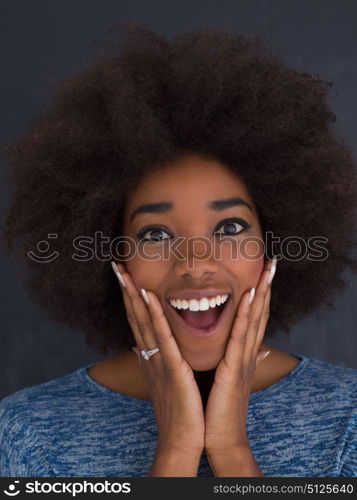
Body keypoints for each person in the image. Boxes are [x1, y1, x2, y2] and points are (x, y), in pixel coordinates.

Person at [1, 23, 357, 477]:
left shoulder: (348, 418)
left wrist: (230, 447)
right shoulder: (28, 432)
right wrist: (176, 449)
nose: (195, 265)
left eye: (229, 227)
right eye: (154, 235)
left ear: (271, 243)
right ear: (114, 256)